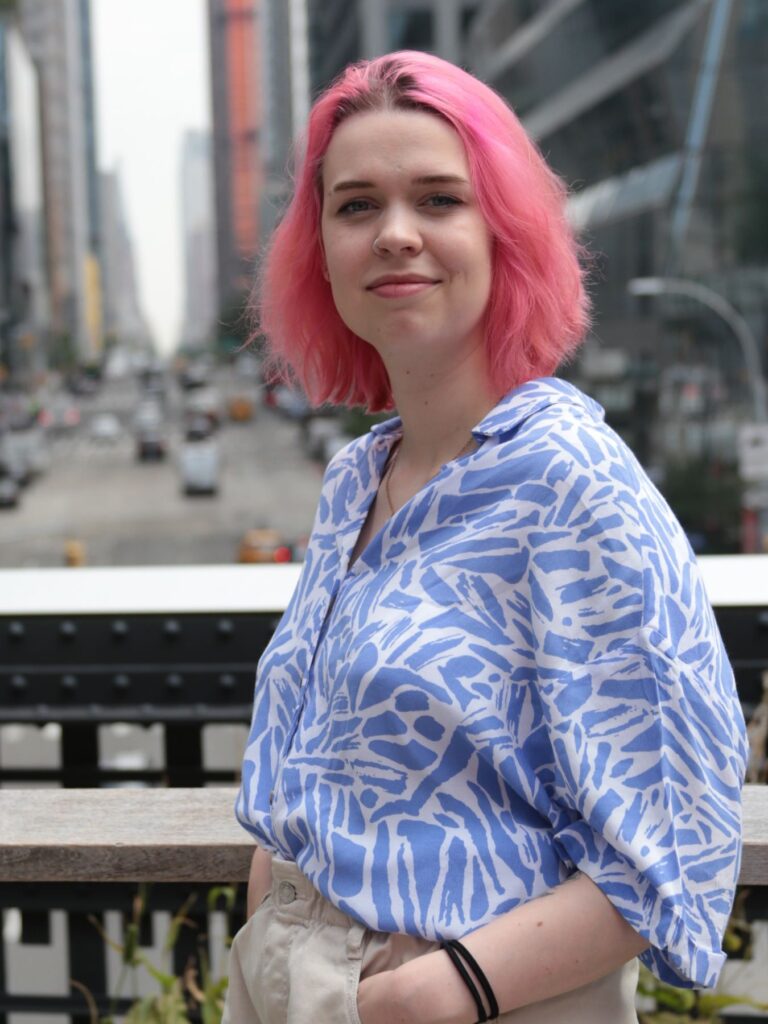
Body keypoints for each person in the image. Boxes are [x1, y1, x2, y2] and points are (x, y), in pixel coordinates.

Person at [223, 50, 748, 1024]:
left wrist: (441, 989)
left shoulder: (572, 482)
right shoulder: (356, 477)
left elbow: (683, 829)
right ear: (318, 248)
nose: (395, 235)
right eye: (354, 206)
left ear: (503, 230)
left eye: (438, 199)